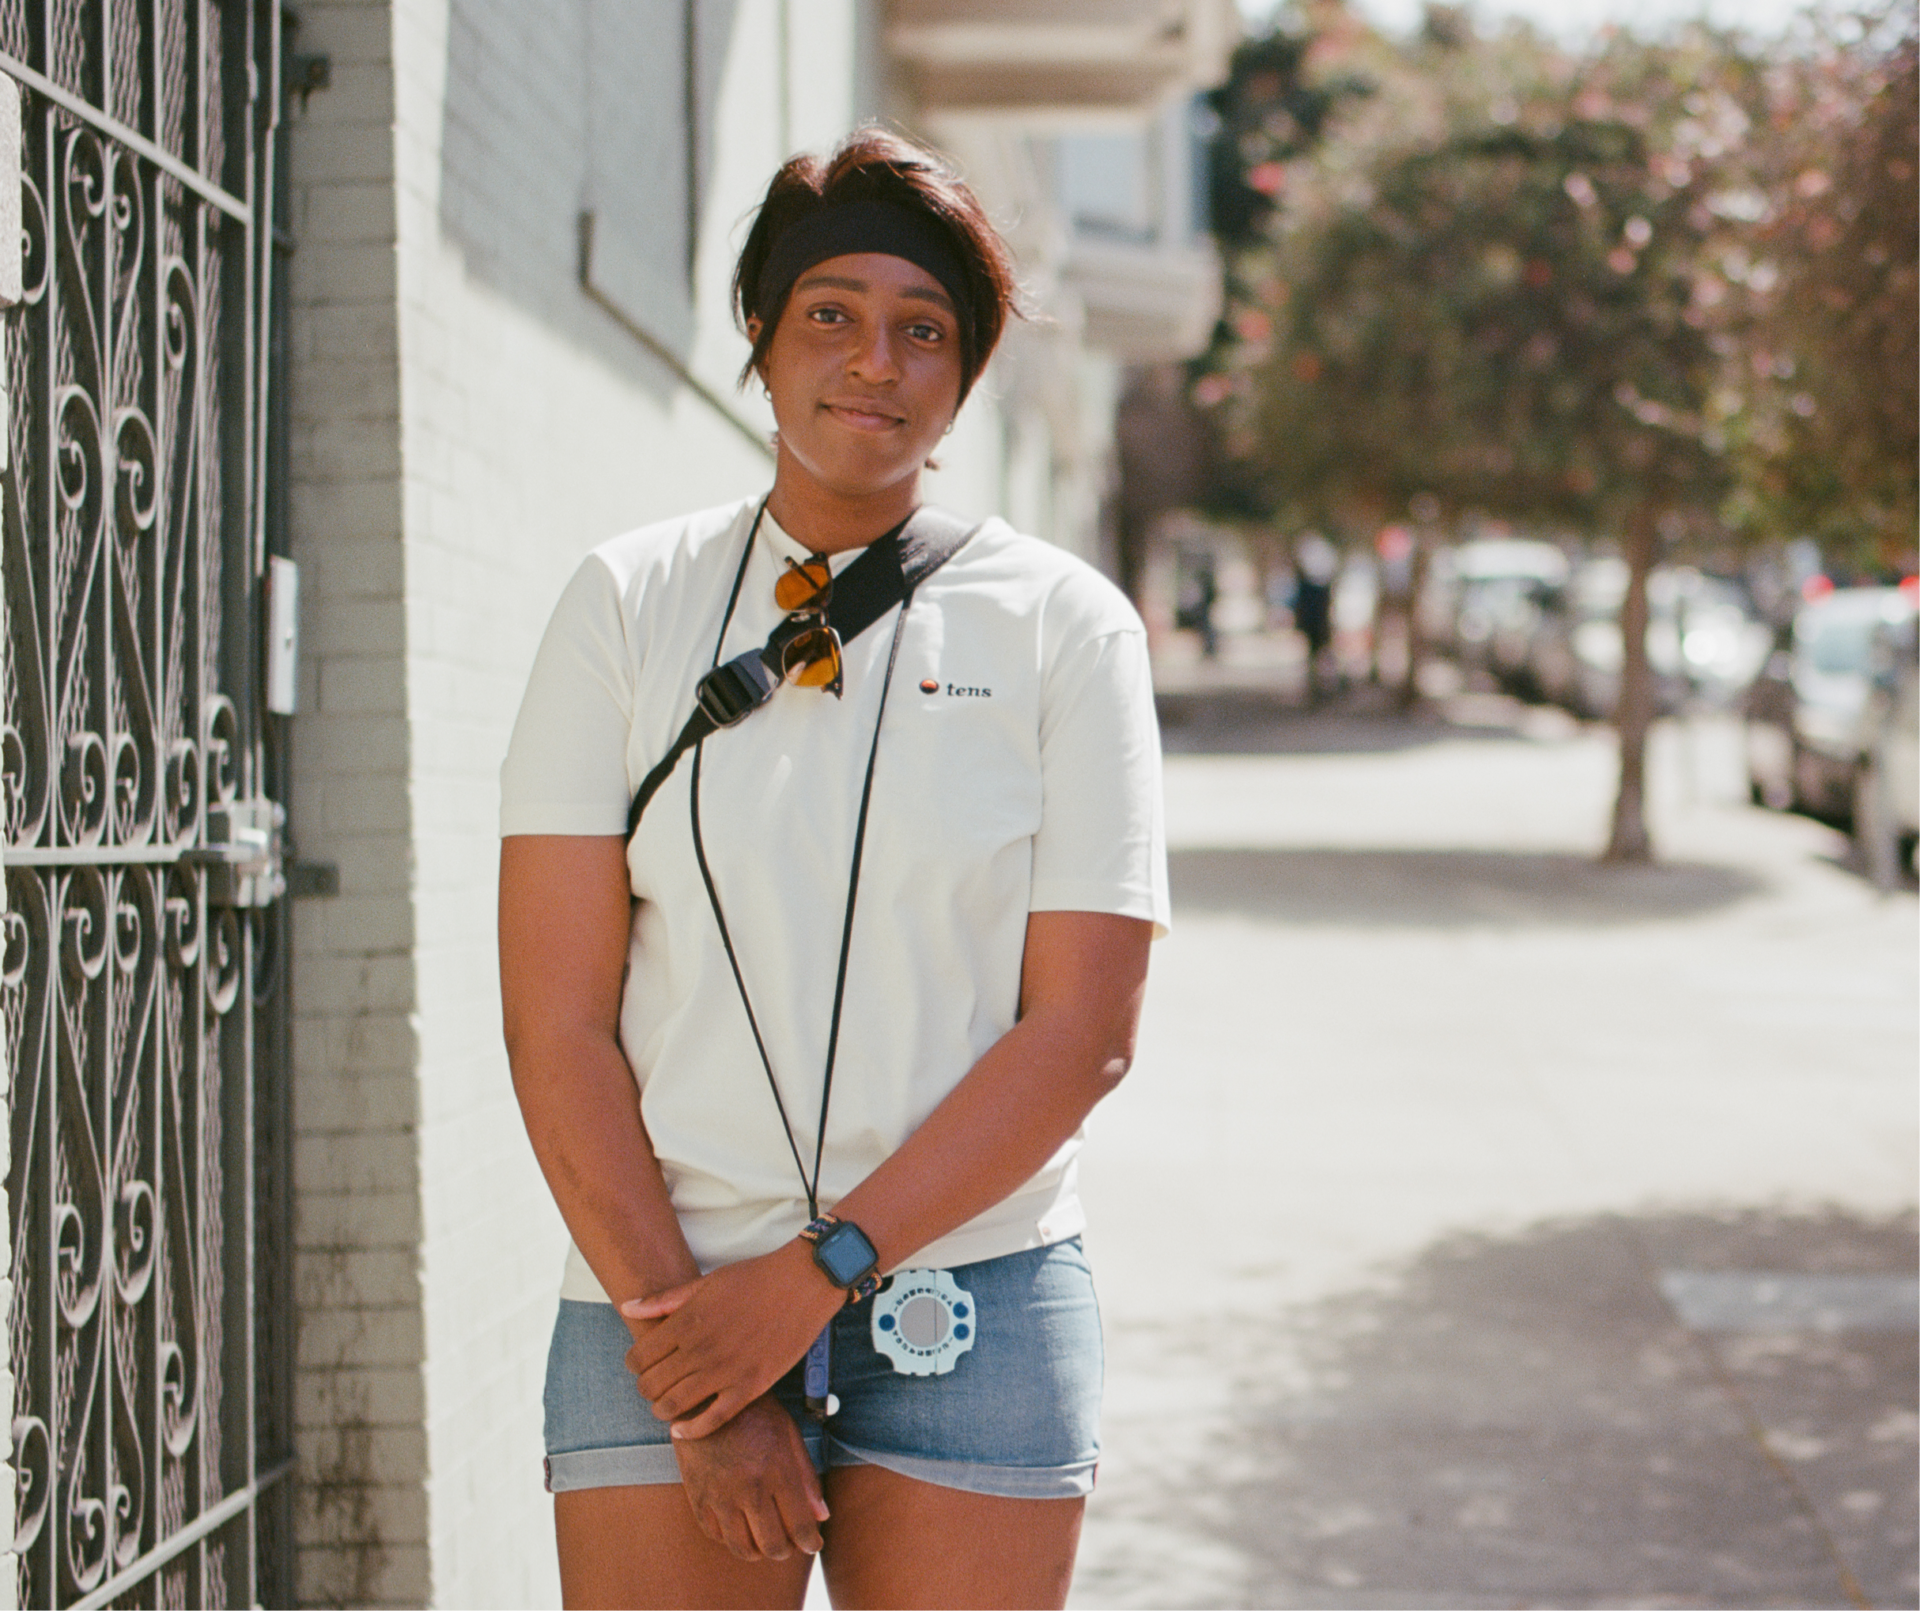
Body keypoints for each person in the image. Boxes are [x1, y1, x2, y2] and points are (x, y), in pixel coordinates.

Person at [498, 128, 1169, 1611]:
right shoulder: (627, 602)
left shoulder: (1067, 627)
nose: (876, 360)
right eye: (832, 313)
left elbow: (1082, 1030)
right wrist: (695, 1357)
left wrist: (815, 1276)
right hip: (655, 1294)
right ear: (759, 330)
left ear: (968, 371)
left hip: (971, 1299)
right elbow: (558, 1021)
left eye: (922, 328)